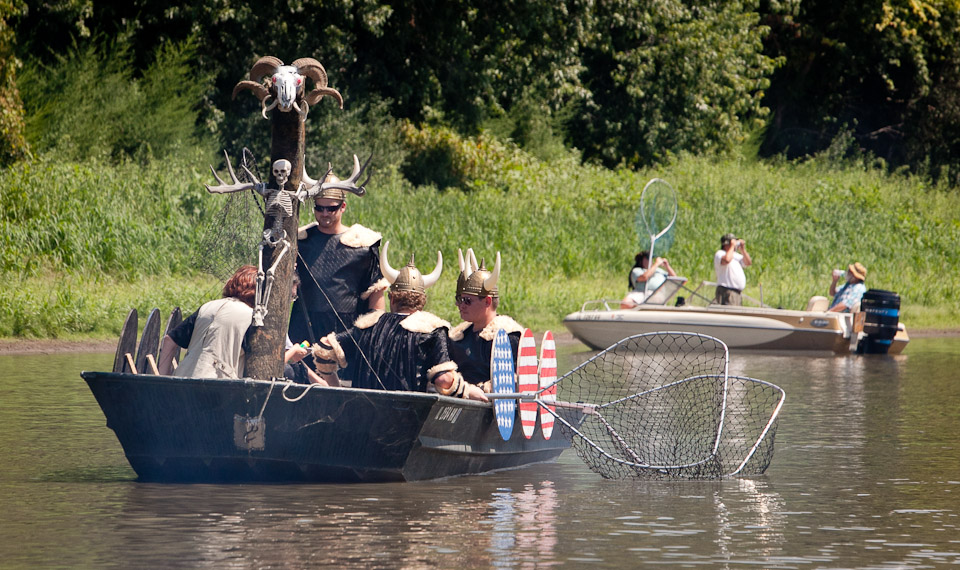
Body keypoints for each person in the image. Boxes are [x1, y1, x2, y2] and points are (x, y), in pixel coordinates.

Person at [311, 243, 487, 401]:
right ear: (422, 300)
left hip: (360, 420)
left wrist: (339, 392)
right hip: (407, 424)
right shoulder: (432, 329)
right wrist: (467, 390)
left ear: (392, 298)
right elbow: (443, 378)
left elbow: (324, 349)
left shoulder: (368, 324)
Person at [288, 171, 388, 351]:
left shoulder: (363, 244)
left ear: (343, 207)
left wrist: (372, 333)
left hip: (346, 331)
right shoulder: (300, 241)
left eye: (331, 208)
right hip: (302, 326)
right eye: (319, 208)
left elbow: (376, 296)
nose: (324, 213)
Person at [448, 249, 524, 392]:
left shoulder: (509, 337)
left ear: (487, 301)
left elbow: (513, 380)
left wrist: (481, 389)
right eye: (459, 299)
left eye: (467, 301)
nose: (460, 305)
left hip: (490, 407)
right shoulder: (458, 337)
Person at [170, 265, 257, 379]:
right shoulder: (252, 317)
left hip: (184, 379)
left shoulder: (207, 307)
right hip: (221, 385)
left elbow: (169, 340)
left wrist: (163, 377)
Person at [713, 233, 752, 306]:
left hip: (737, 292)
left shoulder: (735, 256)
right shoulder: (720, 253)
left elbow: (748, 262)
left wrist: (742, 250)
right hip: (726, 290)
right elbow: (727, 260)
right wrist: (732, 246)